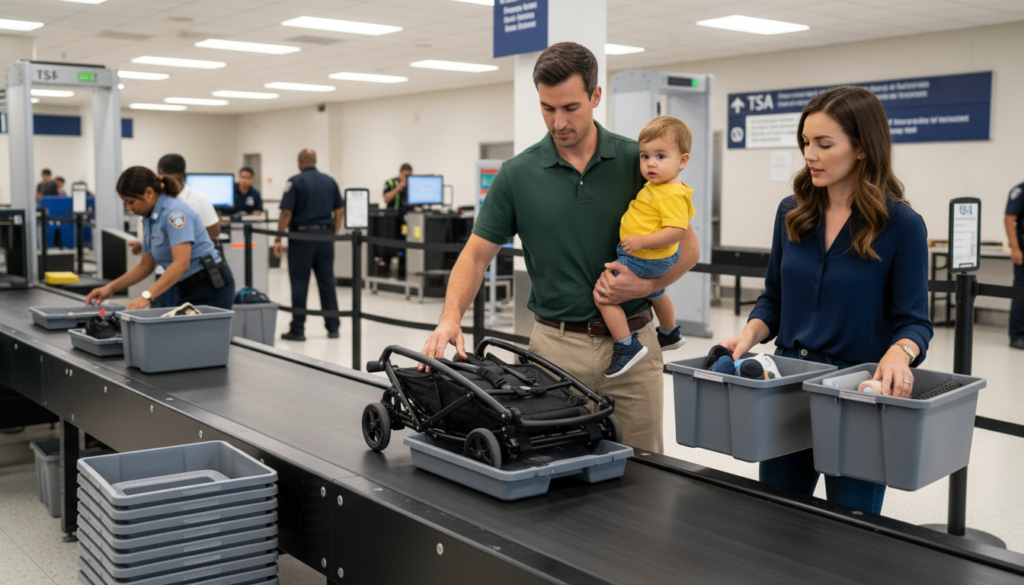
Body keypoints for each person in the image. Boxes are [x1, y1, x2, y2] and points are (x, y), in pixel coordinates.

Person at [421, 42, 700, 454]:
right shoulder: (518, 174)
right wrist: (450, 316)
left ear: (596, 96)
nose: (558, 121)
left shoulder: (639, 161)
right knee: (554, 478)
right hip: (554, 350)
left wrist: (645, 288)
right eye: (547, 108)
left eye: (570, 107)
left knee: (644, 478)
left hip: (634, 348)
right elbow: (476, 255)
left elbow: (689, 249)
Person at [718, 86, 933, 515]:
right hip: (787, 387)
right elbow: (773, 301)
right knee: (776, 518)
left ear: (862, 149)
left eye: (824, 144)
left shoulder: (902, 226)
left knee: (850, 527)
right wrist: (746, 336)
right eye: (805, 143)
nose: (810, 154)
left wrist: (898, 353)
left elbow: (915, 323)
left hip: (857, 396)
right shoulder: (790, 212)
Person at [600, 115, 693, 378]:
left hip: (644, 256)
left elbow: (677, 231)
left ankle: (625, 345)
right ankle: (670, 332)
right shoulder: (659, 186)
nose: (650, 163)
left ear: (682, 161)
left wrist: (640, 241)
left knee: (605, 294)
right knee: (657, 292)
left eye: (661, 156)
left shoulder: (673, 193)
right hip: (653, 256)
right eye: (644, 156)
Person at [85, 166, 235, 311]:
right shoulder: (149, 218)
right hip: (184, 287)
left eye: (131, 202)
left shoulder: (174, 213)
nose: (128, 208)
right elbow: (145, 265)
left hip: (209, 287)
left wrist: (146, 296)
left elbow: (181, 263)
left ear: (149, 193)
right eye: (125, 202)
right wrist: (110, 288)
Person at [273, 148, 344, 341]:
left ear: (301, 161)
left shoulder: (295, 182)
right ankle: (333, 327)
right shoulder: (330, 181)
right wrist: (333, 235)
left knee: (299, 283)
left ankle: (298, 329)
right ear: (315, 161)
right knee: (327, 282)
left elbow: (286, 212)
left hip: (302, 238)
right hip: (325, 238)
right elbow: (339, 211)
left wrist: (278, 238)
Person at [1006, 182, 1024, 349]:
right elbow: (1010, 218)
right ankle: (1017, 335)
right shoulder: (1020, 190)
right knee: (1020, 292)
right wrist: (1015, 248)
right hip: (1023, 251)